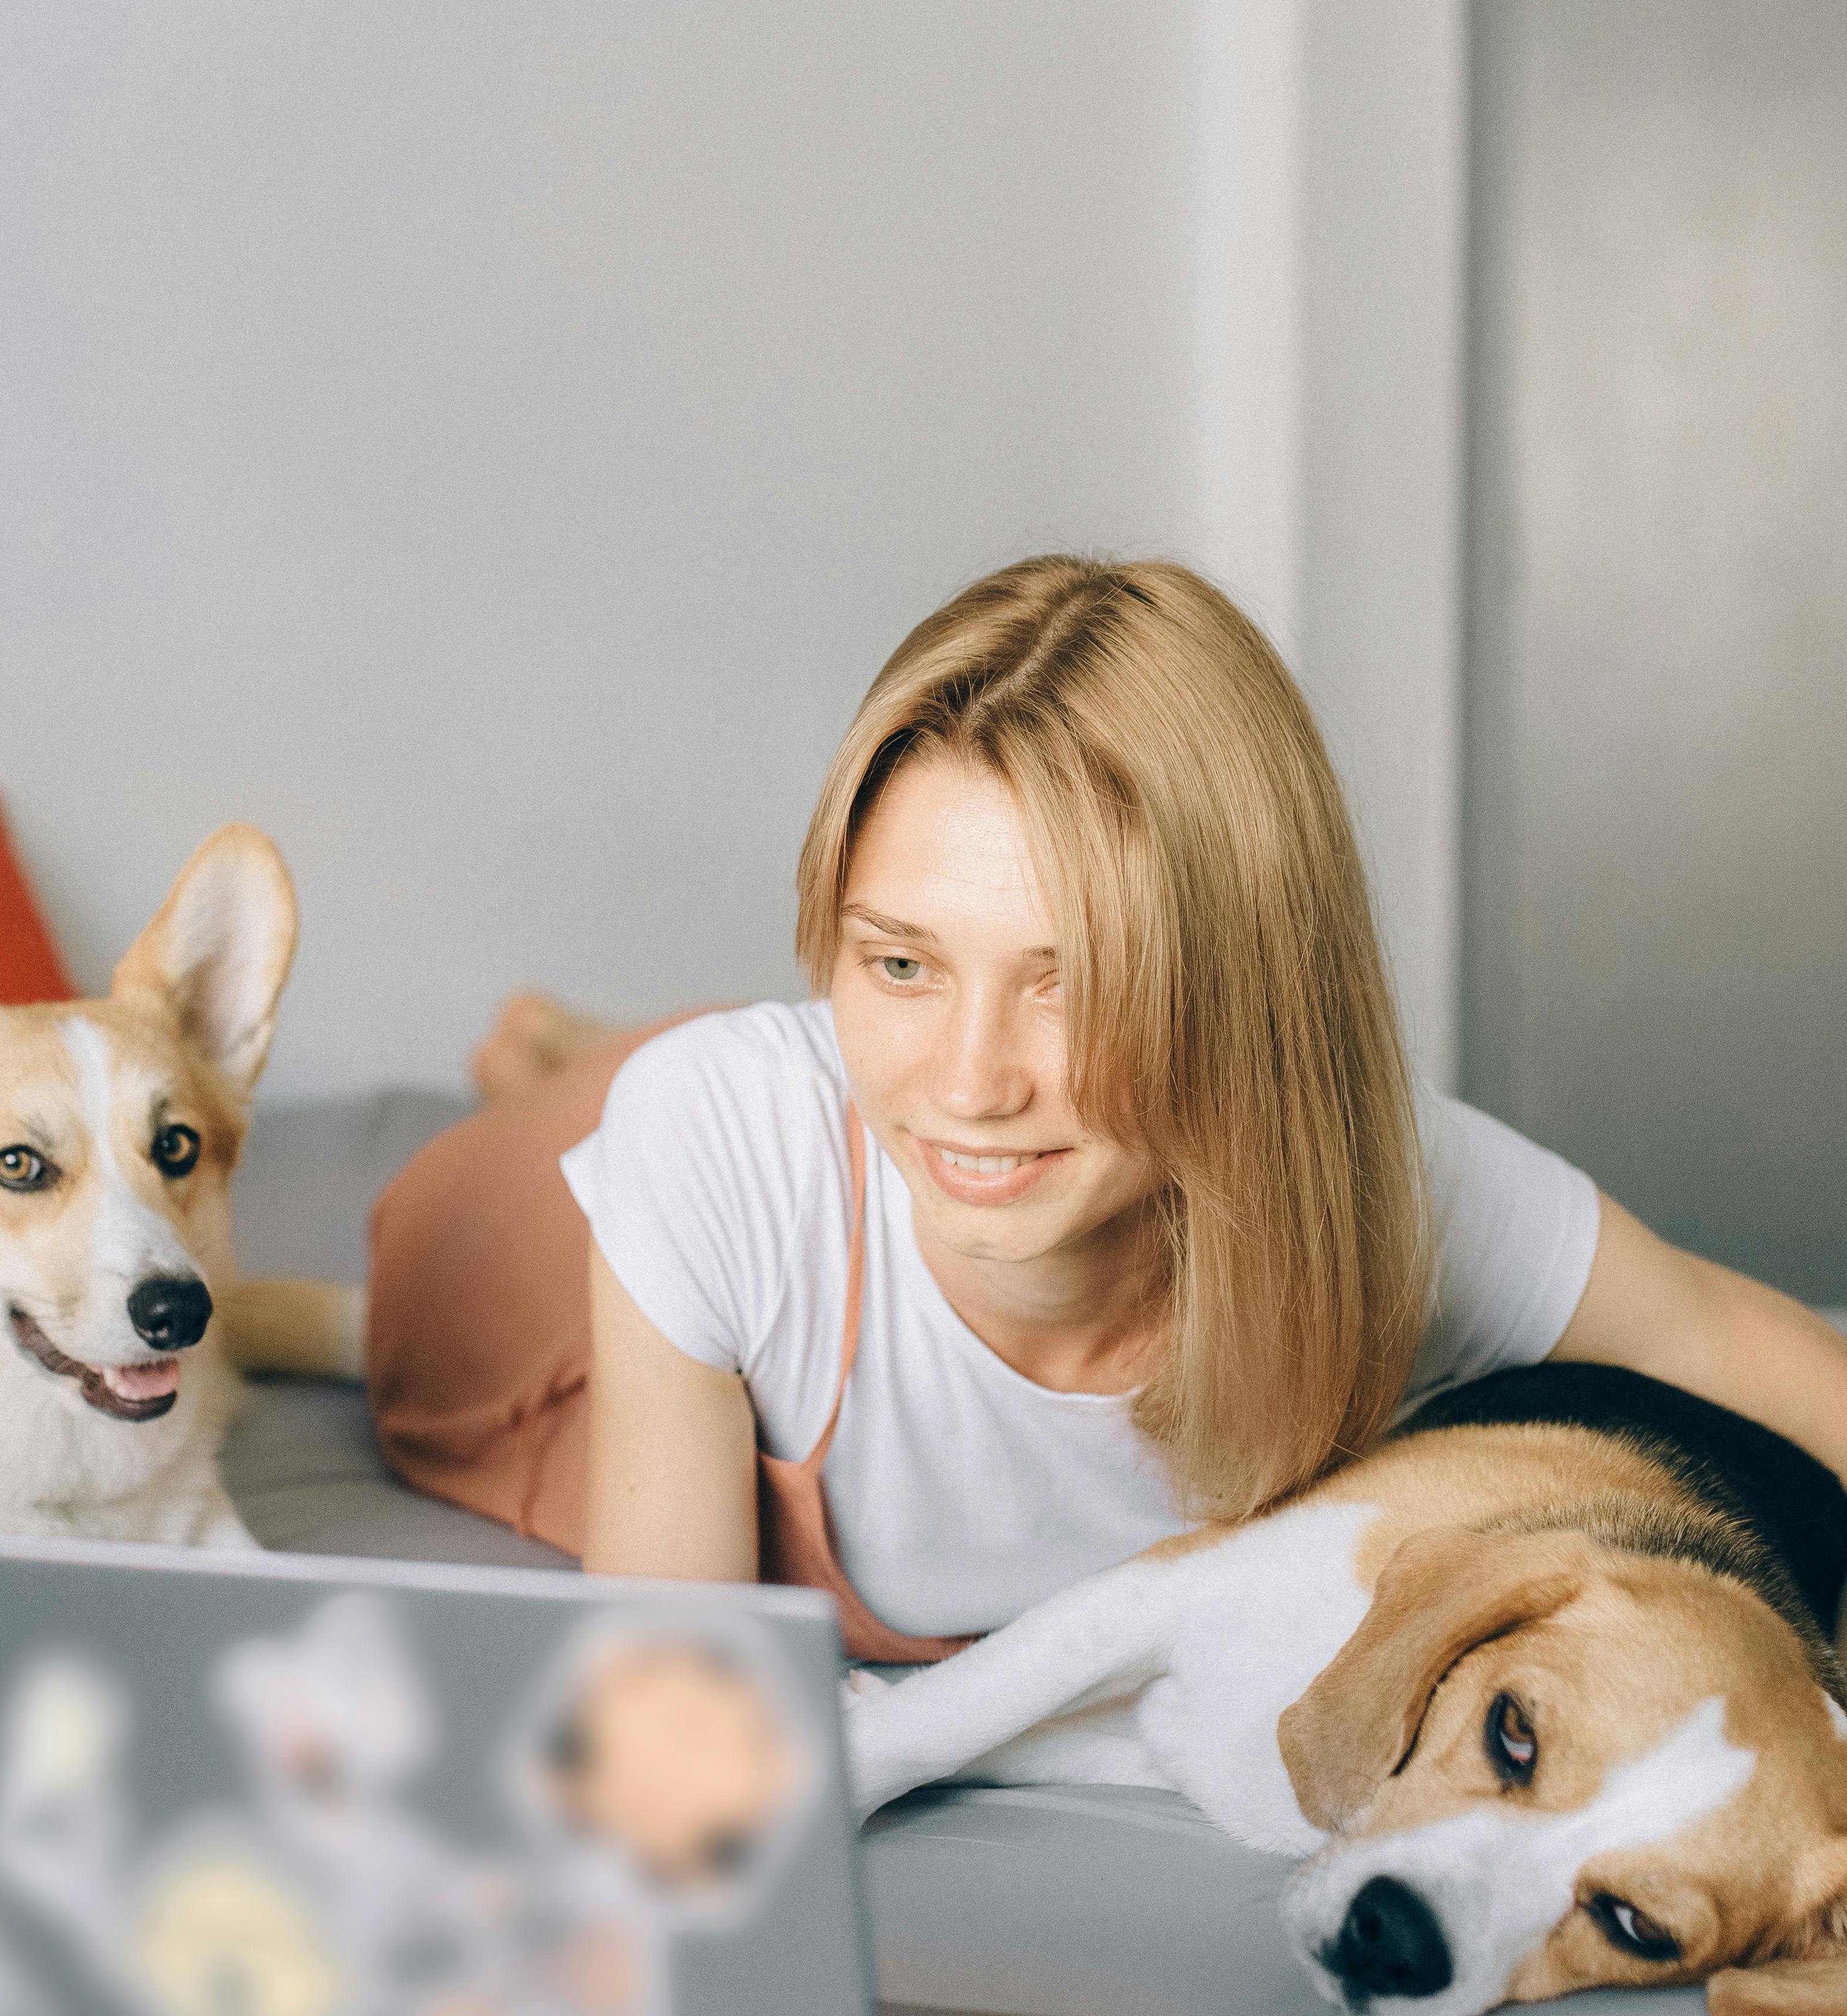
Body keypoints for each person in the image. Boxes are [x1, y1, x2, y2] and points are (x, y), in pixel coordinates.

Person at [357, 555, 1847, 1661]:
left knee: (879, 1102)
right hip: (517, 1301)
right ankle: (571, 1068)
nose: (976, 1073)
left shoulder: (1376, 1178)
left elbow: (1749, 1350)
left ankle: (610, 1037)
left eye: (1071, 984)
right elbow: (665, 1751)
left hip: (788, 1143)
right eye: (898, 958)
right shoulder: (716, 1141)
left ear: (1251, 992)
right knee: (656, 1122)